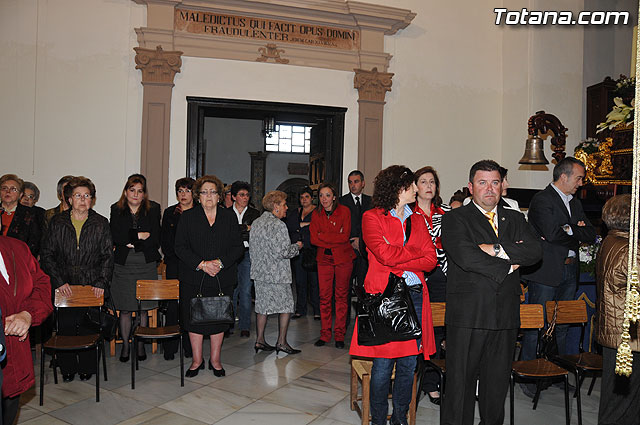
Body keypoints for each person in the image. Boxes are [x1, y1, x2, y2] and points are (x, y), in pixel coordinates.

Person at [441, 159, 541, 425]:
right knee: (459, 388)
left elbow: (534, 251)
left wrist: (495, 249)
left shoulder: (515, 218)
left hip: (505, 316)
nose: (489, 189)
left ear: (502, 186)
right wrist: (508, 265)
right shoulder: (454, 219)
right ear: (470, 187)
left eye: (495, 182)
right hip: (468, 317)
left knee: (496, 389)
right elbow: (466, 257)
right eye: (482, 183)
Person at [349, 165, 437, 425]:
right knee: (384, 365)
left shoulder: (418, 218)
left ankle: (399, 418)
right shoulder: (372, 217)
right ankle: (378, 420)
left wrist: (400, 256)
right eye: (412, 185)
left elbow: (431, 260)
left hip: (415, 294)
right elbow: (382, 254)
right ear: (399, 188)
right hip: (384, 297)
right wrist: (413, 255)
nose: (417, 189)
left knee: (409, 364)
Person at [520, 157, 596, 396]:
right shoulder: (543, 199)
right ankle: (528, 376)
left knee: (561, 325)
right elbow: (552, 234)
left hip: (570, 269)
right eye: (579, 178)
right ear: (563, 177)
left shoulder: (574, 202)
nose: (581, 183)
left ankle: (556, 371)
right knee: (537, 324)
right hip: (547, 271)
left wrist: (570, 228)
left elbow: (591, 233)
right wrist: (574, 229)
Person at [40, 176, 114, 382]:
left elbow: (108, 256)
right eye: (78, 195)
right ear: (69, 199)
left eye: (87, 195)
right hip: (65, 284)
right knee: (67, 328)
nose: (83, 199)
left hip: (92, 284)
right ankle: (68, 369)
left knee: (89, 327)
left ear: (92, 199)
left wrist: (101, 282)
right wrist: (58, 281)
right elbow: (47, 255)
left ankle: (87, 368)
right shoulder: (57, 222)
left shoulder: (100, 223)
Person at [175, 175, 243, 377]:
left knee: (218, 319)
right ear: (198, 196)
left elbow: (237, 247)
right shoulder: (187, 217)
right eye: (204, 192)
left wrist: (220, 263)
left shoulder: (229, 217)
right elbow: (179, 247)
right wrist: (202, 264)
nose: (209, 196)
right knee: (193, 320)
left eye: (213, 191)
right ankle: (197, 360)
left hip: (222, 277)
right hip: (194, 276)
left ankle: (215, 360)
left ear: (220, 196)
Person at [595, 194, 639, 425]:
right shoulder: (629, 250)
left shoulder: (610, 241)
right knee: (624, 406)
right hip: (629, 336)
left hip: (614, 331)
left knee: (618, 399)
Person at [0, 236, 52, 425]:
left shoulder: (17, 248)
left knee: (9, 413)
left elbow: (42, 285)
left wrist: (28, 314)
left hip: (15, 359)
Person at [110, 174, 161, 362]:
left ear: (144, 194)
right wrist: (139, 236)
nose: (135, 194)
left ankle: (140, 345)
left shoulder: (153, 209)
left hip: (146, 263)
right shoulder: (116, 210)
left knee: (143, 309)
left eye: (140, 191)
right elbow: (116, 236)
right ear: (126, 191)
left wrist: (130, 239)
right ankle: (125, 345)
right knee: (124, 309)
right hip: (123, 266)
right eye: (132, 190)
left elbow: (155, 237)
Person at [412, 166, 451, 404]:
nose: (428, 186)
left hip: (446, 276)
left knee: (442, 332)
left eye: (432, 182)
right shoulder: (408, 213)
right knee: (424, 333)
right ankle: (422, 381)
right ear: (415, 187)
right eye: (424, 181)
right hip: (419, 278)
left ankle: (434, 382)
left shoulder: (446, 212)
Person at [249, 190, 303, 354]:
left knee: (262, 307)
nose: (286, 207)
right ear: (275, 206)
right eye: (284, 204)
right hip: (278, 275)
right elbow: (283, 252)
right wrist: (297, 247)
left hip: (259, 274)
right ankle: (282, 342)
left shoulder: (256, 222)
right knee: (286, 307)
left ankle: (259, 341)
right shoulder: (279, 225)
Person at [310, 182, 354, 348]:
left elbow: (345, 237)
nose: (324, 199)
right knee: (324, 297)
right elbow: (314, 239)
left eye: (327, 195)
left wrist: (324, 236)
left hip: (343, 259)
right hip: (324, 260)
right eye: (321, 195)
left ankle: (340, 335)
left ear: (334, 197)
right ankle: (325, 333)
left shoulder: (345, 211)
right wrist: (333, 235)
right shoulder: (316, 214)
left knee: (341, 297)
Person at [160, 177, 196, 360]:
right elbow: (165, 241)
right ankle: (170, 347)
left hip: (194, 267)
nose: (183, 195)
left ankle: (190, 347)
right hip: (174, 265)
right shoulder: (169, 213)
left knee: (190, 307)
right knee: (172, 307)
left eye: (187, 191)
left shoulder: (200, 212)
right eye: (180, 191)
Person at [230, 181, 260, 338]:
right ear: (233, 196)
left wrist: (242, 230)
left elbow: (255, 234)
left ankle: (245, 325)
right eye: (241, 195)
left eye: (247, 195)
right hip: (230, 253)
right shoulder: (227, 213)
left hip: (248, 253)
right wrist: (244, 229)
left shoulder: (255, 214)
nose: (245, 198)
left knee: (246, 290)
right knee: (231, 290)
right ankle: (228, 324)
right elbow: (227, 234)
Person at [286, 187, 320, 320]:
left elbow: (318, 226)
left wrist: (305, 225)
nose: (304, 199)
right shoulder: (295, 212)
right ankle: (300, 309)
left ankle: (317, 310)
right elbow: (290, 227)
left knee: (314, 282)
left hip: (312, 250)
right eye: (302, 197)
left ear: (312, 198)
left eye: (306, 197)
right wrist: (305, 225)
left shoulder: (318, 211)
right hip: (298, 251)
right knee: (299, 281)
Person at [0, 174, 41, 257]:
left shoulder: (30, 214)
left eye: (13, 189)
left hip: (19, 261)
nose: (8, 192)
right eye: (4, 188)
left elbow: (34, 243)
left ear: (20, 194)